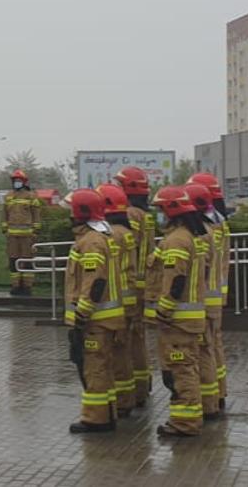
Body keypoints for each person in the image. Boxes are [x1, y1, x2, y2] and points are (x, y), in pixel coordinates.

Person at [146, 185, 210, 439]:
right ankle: (185, 419)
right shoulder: (187, 237)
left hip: (178, 322)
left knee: (181, 371)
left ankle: (185, 424)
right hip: (186, 321)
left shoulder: (177, 240)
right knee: (184, 369)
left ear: (171, 211)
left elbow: (176, 280)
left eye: (160, 210)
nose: (158, 215)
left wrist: (163, 309)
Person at [63, 189, 125, 434]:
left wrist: (82, 313)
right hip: (101, 319)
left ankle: (96, 419)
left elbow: (94, 281)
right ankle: (105, 414)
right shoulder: (97, 237)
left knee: (94, 369)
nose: (69, 214)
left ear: (81, 212)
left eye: (71, 210)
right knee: (102, 367)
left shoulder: (91, 241)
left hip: (94, 321)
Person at [96, 183, 143, 417]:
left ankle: (122, 401)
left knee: (116, 353)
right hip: (128, 299)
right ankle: (126, 398)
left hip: (118, 301)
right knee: (123, 350)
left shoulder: (112, 234)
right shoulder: (124, 231)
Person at [187, 173, 230, 420]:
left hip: (205, 297)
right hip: (215, 295)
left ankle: (210, 401)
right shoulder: (219, 222)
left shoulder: (205, 229)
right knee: (214, 346)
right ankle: (217, 393)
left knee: (205, 349)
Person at [113, 167, 157, 408]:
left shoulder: (130, 215)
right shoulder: (145, 215)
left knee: (126, 340)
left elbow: (124, 247)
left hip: (130, 285)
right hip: (142, 283)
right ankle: (141, 385)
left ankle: (130, 392)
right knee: (138, 337)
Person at [0, 169, 42, 296]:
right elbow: (4, 214)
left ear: (24, 182)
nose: (16, 183)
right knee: (13, 260)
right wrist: (5, 229)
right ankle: (16, 285)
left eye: (19, 180)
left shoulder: (31, 196)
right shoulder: (8, 197)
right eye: (15, 180)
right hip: (12, 236)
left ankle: (27, 286)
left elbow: (36, 215)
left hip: (27, 235)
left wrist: (35, 231)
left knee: (27, 260)